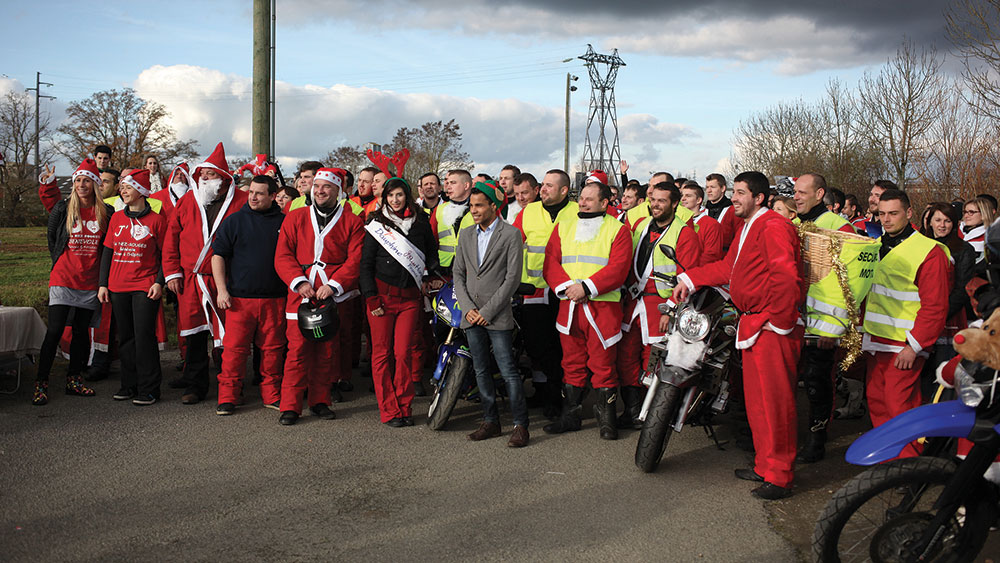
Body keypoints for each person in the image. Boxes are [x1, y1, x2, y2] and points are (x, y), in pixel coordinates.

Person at [673, 171, 804, 500]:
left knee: (776, 404)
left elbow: (786, 276)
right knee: (758, 403)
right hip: (755, 324)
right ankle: (765, 465)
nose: (734, 198)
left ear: (759, 198)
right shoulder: (750, 226)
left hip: (771, 327)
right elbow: (728, 269)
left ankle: (781, 475)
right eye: (734, 192)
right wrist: (690, 278)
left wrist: (780, 322)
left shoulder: (774, 226)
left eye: (741, 193)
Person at [861, 189, 951, 458]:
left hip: (905, 343)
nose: (886, 220)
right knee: (877, 401)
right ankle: (887, 460)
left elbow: (935, 306)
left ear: (909, 213)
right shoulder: (875, 245)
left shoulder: (929, 251)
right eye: (881, 214)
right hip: (877, 339)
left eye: (893, 213)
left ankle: (908, 465)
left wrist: (915, 346)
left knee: (900, 405)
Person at [541, 180, 632, 440]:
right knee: (571, 363)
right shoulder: (564, 226)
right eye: (581, 198)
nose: (582, 202)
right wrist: (569, 287)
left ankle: (607, 421)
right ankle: (570, 417)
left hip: (603, 308)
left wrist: (587, 287)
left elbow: (619, 268)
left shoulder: (618, 230)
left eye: (589, 199)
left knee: (603, 365)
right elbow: (551, 262)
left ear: (604, 203)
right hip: (569, 306)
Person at [274, 167, 363, 425]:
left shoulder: (352, 221)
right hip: (300, 294)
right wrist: (299, 282)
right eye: (317, 186)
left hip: (332, 295)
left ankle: (320, 401)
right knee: (297, 351)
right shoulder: (295, 217)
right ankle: (290, 405)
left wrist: (334, 285)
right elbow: (282, 255)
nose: (320, 191)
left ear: (338, 191)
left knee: (327, 352)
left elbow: (355, 258)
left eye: (326, 187)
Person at [163, 142, 248, 405]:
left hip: (228, 280)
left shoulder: (242, 202)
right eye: (200, 175)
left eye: (208, 175)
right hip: (192, 279)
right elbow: (172, 238)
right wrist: (172, 272)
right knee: (193, 333)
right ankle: (195, 385)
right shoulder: (190, 200)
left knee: (228, 335)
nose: (202, 179)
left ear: (222, 177)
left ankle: (230, 385)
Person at [617, 182, 701, 429]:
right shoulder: (641, 226)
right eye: (653, 200)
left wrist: (671, 308)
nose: (655, 205)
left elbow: (689, 276)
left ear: (675, 204)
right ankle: (631, 410)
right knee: (626, 357)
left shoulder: (684, 233)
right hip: (633, 303)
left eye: (661, 201)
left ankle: (649, 413)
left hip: (660, 306)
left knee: (652, 361)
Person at [453, 182, 529, 446]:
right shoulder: (465, 235)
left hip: (497, 315)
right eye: (471, 206)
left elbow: (511, 279)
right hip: (471, 314)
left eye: (479, 206)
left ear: (493, 208)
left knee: (508, 370)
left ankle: (520, 425)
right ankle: (490, 421)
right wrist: (468, 309)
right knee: (481, 369)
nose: (473, 210)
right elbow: (457, 274)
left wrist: (486, 311)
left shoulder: (511, 235)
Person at [32, 159, 113, 405]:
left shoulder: (105, 213)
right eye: (78, 180)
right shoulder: (64, 208)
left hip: (90, 282)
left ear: (95, 184)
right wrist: (59, 263)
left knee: (81, 332)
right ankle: (41, 383)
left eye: (86, 180)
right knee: (55, 330)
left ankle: (74, 380)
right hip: (63, 278)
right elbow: (53, 236)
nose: (81, 184)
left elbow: (107, 246)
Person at [360, 177, 438, 427]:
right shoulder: (376, 223)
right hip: (381, 298)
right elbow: (365, 265)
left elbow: (431, 255)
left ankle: (404, 406)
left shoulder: (421, 222)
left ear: (406, 196)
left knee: (403, 354)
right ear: (385, 198)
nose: (395, 200)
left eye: (399, 195)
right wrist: (371, 298)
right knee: (382, 355)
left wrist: (427, 275)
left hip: (409, 299)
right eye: (391, 195)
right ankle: (389, 409)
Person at [792, 173, 859, 463]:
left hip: (823, 321)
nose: (795, 197)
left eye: (802, 192)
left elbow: (852, 281)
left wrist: (835, 327)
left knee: (817, 380)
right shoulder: (792, 224)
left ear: (820, 194)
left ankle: (817, 438)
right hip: (793, 315)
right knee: (794, 379)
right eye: (794, 192)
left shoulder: (838, 225)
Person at [210, 175, 287, 416]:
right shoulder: (234, 221)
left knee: (273, 351)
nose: (252, 197)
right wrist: (222, 290)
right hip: (240, 301)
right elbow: (217, 256)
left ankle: (272, 394)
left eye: (259, 193)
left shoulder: (285, 223)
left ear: (273, 196)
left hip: (275, 299)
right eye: (251, 192)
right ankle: (228, 397)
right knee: (233, 351)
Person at [97, 169, 167, 405]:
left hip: (145, 286)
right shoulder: (116, 218)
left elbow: (166, 255)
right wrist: (103, 284)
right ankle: (129, 385)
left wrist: (159, 281)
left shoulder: (157, 221)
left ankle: (149, 389)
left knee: (144, 336)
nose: (122, 191)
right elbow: (108, 252)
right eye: (122, 188)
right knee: (125, 337)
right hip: (118, 286)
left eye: (128, 187)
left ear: (141, 191)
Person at [512, 170, 577, 417]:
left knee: (564, 347)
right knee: (538, 347)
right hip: (535, 289)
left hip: (568, 291)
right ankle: (546, 392)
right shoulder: (528, 211)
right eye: (543, 185)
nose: (544, 189)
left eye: (550, 185)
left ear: (564, 190)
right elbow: (511, 243)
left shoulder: (577, 211)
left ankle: (560, 398)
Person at [919, 202, 975, 398]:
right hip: (920, 321)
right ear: (930, 222)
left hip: (948, 321)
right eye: (938, 220)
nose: (942, 225)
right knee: (921, 377)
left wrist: (939, 315)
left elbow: (962, 289)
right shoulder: (920, 246)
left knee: (943, 377)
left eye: (947, 221)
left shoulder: (963, 250)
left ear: (954, 223)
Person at [431, 169, 475, 273]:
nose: (448, 186)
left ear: (466, 186)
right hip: (443, 269)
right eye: (447, 183)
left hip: (470, 270)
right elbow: (430, 241)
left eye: (453, 183)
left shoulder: (478, 209)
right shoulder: (439, 209)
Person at [680, 183, 724, 265]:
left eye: (688, 196)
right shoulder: (677, 222)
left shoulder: (712, 224)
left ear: (698, 200)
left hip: (695, 272)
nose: (683, 199)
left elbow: (712, 256)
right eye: (682, 195)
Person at [960, 197, 996, 263]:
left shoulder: (991, 238)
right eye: (965, 212)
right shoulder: (956, 232)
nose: (966, 216)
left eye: (971, 212)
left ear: (983, 214)